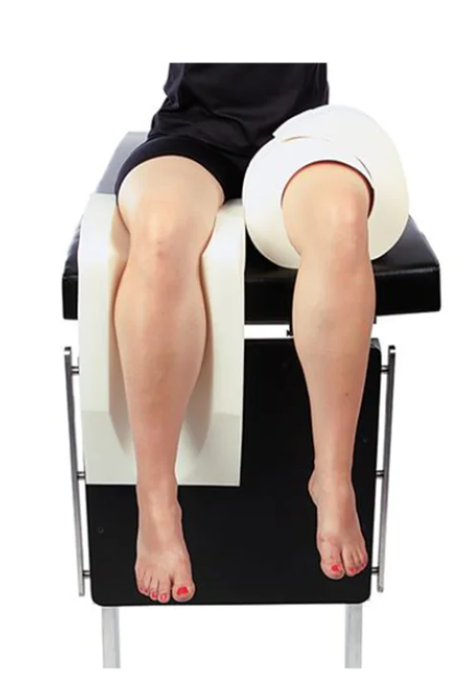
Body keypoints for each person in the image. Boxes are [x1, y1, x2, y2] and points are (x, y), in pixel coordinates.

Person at [113, 63, 374, 604]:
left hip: (297, 138)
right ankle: (155, 501)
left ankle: (332, 477)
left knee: (341, 218)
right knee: (160, 232)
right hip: (193, 133)